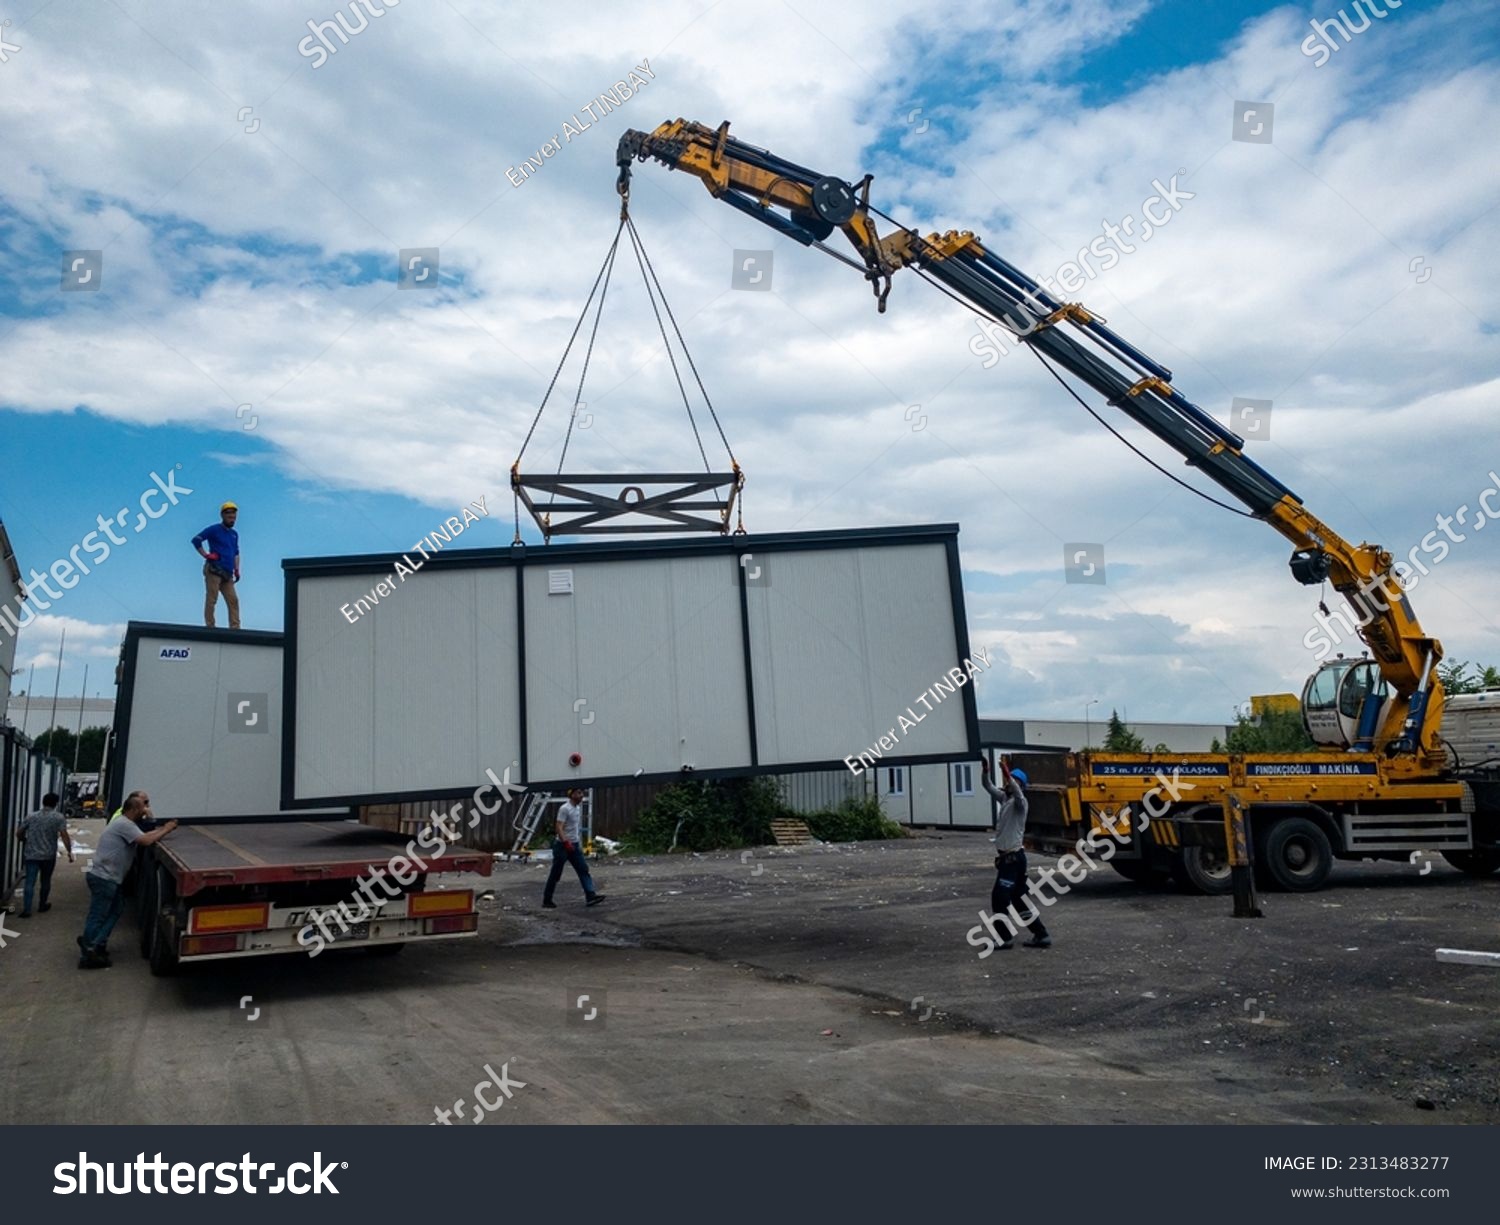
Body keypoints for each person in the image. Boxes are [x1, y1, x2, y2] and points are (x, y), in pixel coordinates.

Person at [78, 794, 178, 969]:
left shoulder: (126, 824)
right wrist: (167, 828)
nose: (145, 811)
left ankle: (95, 942)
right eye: (142, 808)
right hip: (104, 877)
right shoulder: (124, 824)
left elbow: (146, 834)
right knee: (99, 914)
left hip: (107, 877)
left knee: (115, 910)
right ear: (133, 810)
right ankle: (90, 948)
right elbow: (146, 840)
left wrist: (161, 829)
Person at [981, 755, 1051, 949]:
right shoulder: (1005, 799)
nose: (1009, 783)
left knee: (1000, 898)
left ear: (1020, 785)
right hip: (1012, 859)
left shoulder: (1021, 803)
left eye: (1014, 781)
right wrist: (986, 771)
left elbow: (1019, 793)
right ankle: (1041, 935)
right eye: (1009, 779)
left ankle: (1004, 938)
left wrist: (1007, 775)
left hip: (1012, 860)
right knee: (1019, 900)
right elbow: (987, 786)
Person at [542, 789, 605, 909]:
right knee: (556, 873)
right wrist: (565, 842)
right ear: (571, 794)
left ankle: (590, 895)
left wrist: (576, 843)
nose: (582, 796)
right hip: (562, 846)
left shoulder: (577, 808)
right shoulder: (565, 809)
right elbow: (559, 827)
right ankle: (547, 899)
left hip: (574, 845)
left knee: (583, 869)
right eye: (579, 793)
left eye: (582, 793)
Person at [15, 792, 73, 918]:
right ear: (55, 804)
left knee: (29, 882)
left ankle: (27, 909)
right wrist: (69, 851)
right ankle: (42, 904)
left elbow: (19, 832)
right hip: (48, 855)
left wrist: (23, 840)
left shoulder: (31, 816)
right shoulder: (58, 817)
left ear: (43, 802)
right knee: (45, 880)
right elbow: (64, 835)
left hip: (31, 854)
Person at [192, 501, 241, 629]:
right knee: (212, 598)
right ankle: (210, 625)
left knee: (233, 600)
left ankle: (235, 627)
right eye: (230, 517)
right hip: (214, 569)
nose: (232, 520)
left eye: (234, 517)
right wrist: (206, 555)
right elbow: (196, 540)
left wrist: (237, 569)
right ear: (223, 516)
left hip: (227, 572)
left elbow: (236, 552)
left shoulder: (234, 534)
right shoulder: (214, 529)